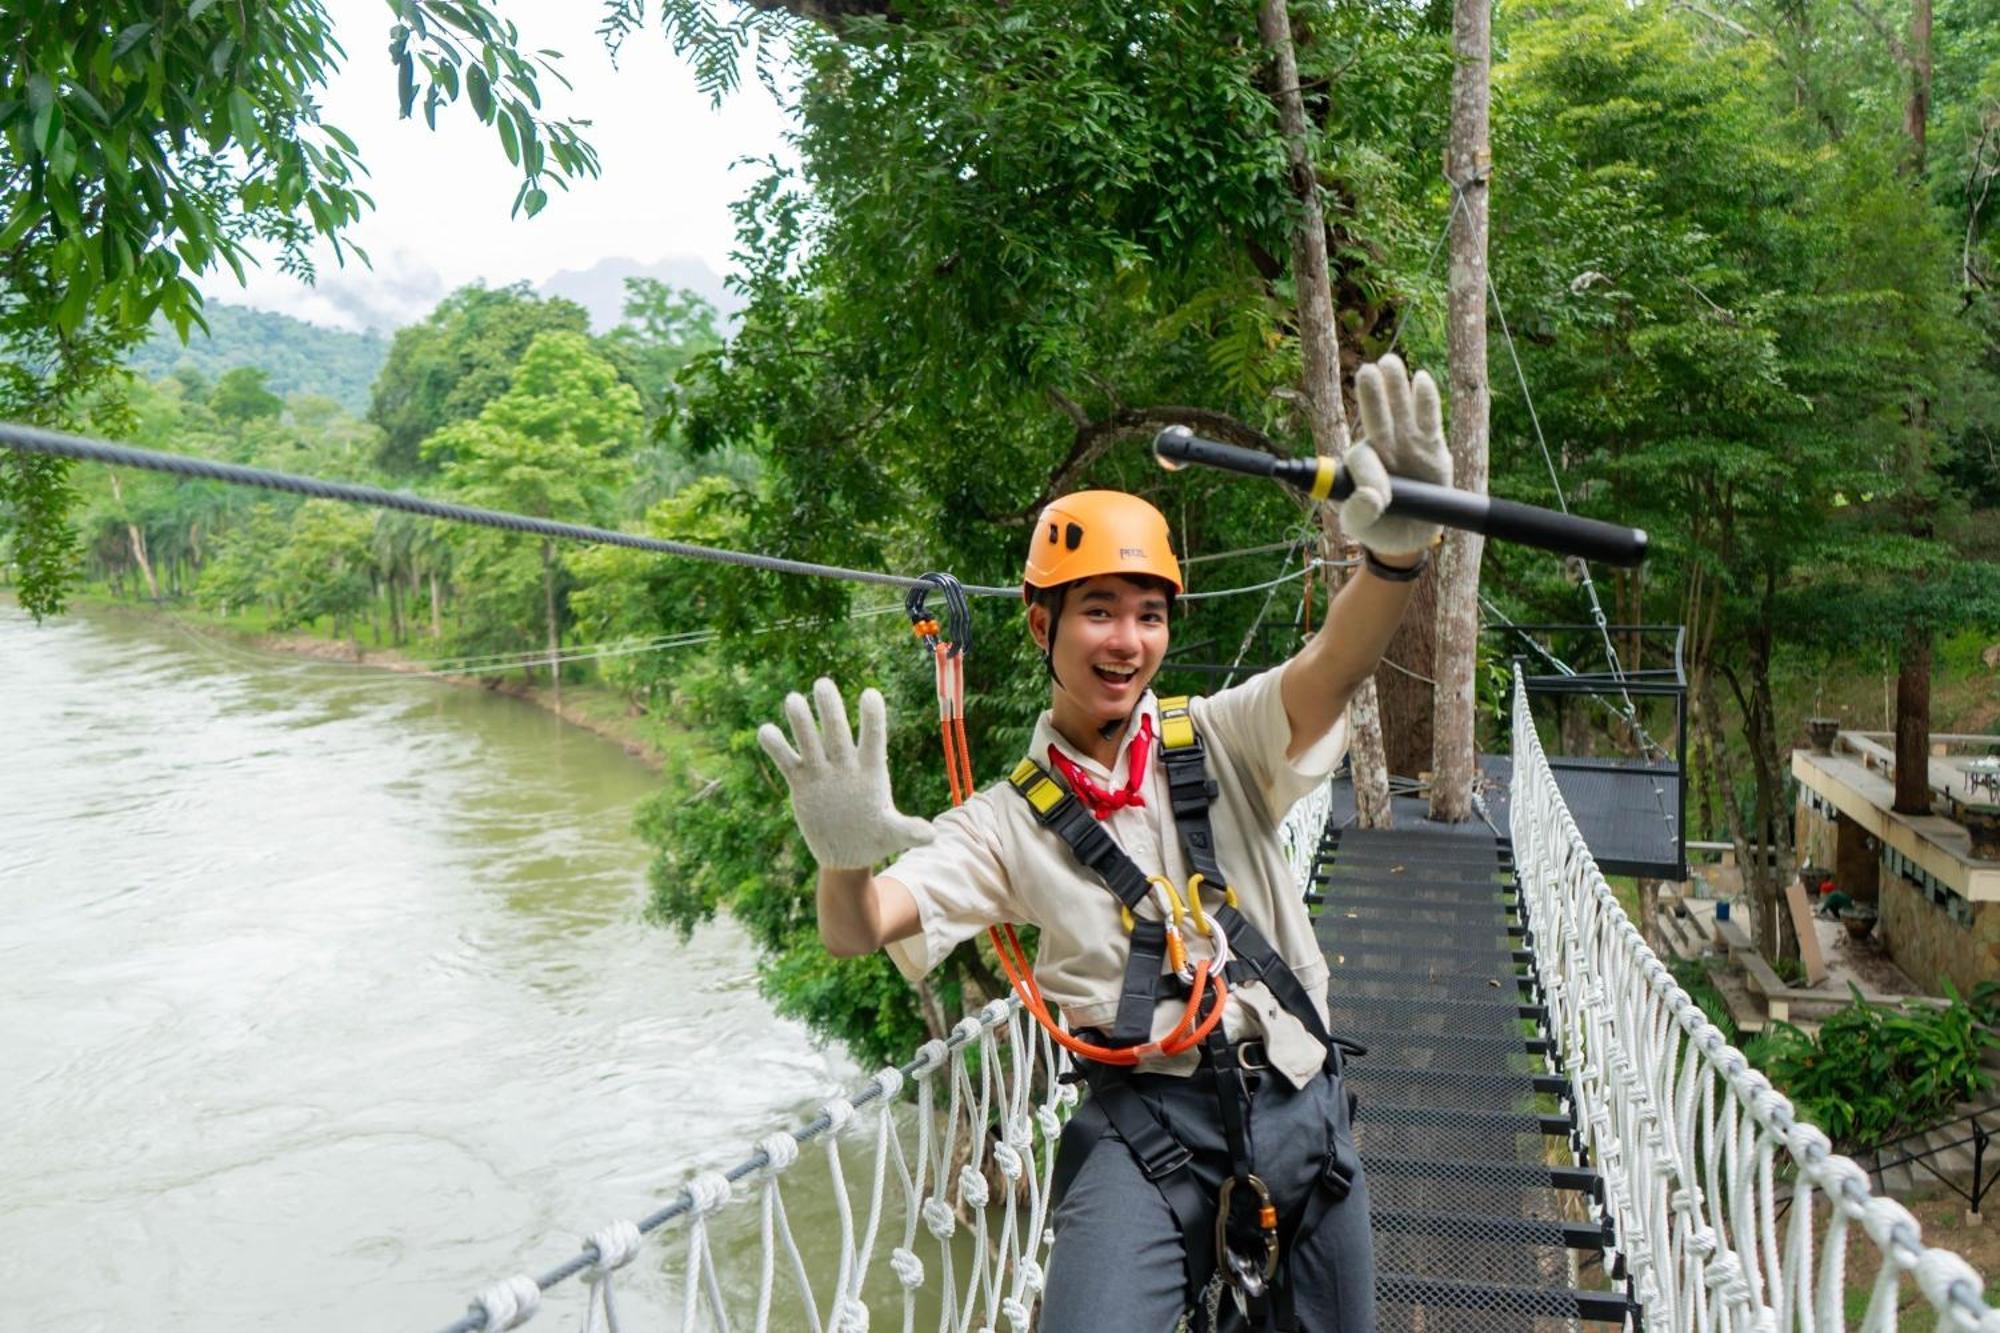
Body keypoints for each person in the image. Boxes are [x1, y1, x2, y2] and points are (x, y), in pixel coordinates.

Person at [757, 355, 1452, 1332]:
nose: (1124, 640)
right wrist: (841, 857)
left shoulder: (1218, 736)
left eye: (1147, 613)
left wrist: (1394, 560)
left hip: (1300, 1106)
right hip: (1145, 1132)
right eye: (1096, 610)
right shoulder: (1004, 821)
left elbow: (1333, 665)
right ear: (1041, 623)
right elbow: (859, 925)